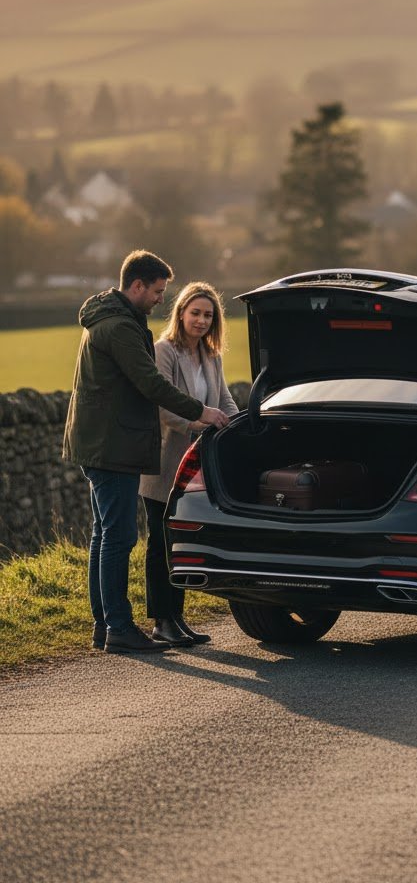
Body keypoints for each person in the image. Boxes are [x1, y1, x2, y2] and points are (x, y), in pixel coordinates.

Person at [63, 251, 230, 654]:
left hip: (103, 441)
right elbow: (151, 384)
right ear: (136, 286)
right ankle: (119, 626)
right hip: (112, 444)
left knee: (104, 535)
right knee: (118, 537)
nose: (160, 299)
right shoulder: (120, 327)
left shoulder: (115, 319)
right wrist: (202, 412)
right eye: (157, 291)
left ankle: (105, 626)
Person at [139, 281, 238, 647]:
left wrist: (235, 425)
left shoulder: (211, 356)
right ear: (181, 313)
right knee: (159, 543)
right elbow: (163, 406)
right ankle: (161, 620)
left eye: (208, 315)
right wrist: (201, 420)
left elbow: (224, 400)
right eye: (195, 312)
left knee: (179, 542)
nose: (201, 320)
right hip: (164, 463)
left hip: (195, 466)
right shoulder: (163, 350)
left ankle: (177, 618)